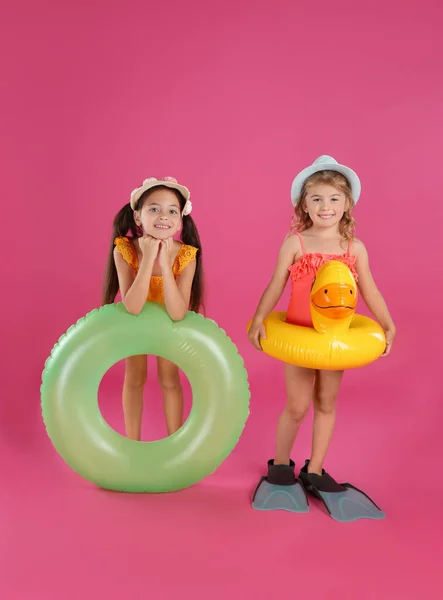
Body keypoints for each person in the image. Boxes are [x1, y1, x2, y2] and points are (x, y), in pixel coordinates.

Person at [248, 156, 395, 520]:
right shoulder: (295, 242)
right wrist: (258, 319)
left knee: (326, 403)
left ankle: (314, 470)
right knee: (297, 406)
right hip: (299, 337)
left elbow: (371, 290)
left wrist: (387, 324)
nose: (325, 207)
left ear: (346, 205)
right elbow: (275, 284)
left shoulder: (352, 248)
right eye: (316, 199)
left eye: (333, 199)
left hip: (334, 338)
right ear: (303, 204)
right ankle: (281, 466)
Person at [102, 176, 203, 441]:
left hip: (168, 325)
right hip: (135, 324)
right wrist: (148, 259)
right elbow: (132, 307)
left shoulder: (186, 255)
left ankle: (174, 442)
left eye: (172, 211)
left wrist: (165, 264)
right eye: (154, 208)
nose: (163, 216)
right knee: (134, 378)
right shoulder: (124, 249)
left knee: (170, 379)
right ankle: (132, 442)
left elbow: (178, 312)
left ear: (180, 220)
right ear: (138, 217)